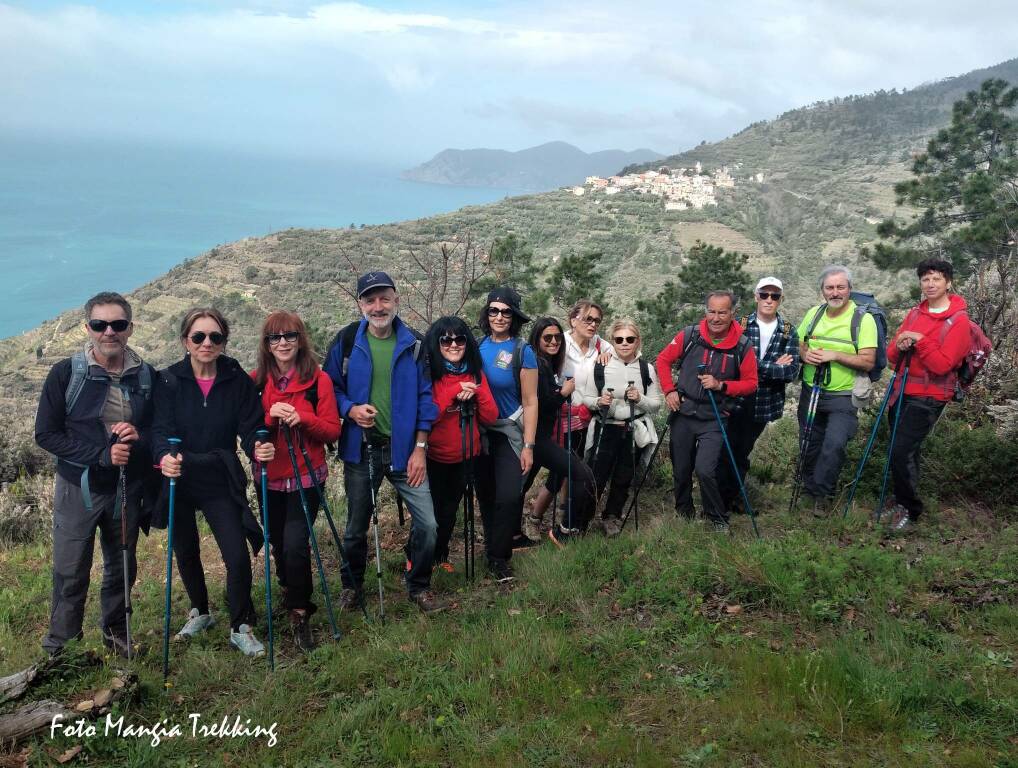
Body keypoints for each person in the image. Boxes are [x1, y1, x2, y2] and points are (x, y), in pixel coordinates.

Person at [35, 292, 157, 658]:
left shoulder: (145, 375)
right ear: (87, 328)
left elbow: (157, 429)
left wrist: (141, 438)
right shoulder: (67, 373)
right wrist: (101, 455)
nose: (109, 332)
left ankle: (116, 632)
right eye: (100, 325)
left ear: (130, 328)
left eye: (118, 325)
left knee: (121, 564)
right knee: (71, 569)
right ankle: (61, 645)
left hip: (125, 488)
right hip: (79, 489)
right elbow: (46, 434)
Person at [153, 308, 275, 657]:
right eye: (199, 337)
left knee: (236, 554)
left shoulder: (236, 380)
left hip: (219, 475)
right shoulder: (168, 381)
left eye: (215, 337)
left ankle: (240, 626)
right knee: (186, 549)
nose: (207, 343)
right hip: (179, 475)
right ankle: (200, 611)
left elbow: (250, 427)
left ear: (224, 342)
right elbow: (159, 429)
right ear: (185, 342)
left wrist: (258, 447)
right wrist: (164, 456)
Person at [323, 271, 442, 613]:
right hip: (362, 449)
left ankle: (418, 584)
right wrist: (350, 409)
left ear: (396, 300)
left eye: (384, 298)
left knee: (429, 525)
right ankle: (352, 587)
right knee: (355, 528)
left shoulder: (415, 344)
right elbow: (330, 388)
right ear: (360, 304)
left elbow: (426, 400)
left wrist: (421, 448)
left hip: (405, 451)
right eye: (370, 300)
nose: (378, 306)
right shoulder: (346, 341)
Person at [251, 310, 341, 651]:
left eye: (290, 336)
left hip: (307, 476)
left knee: (294, 544)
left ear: (300, 339)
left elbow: (332, 429)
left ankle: (301, 611)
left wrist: (302, 418)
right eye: (275, 337)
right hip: (268, 478)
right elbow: (247, 430)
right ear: (267, 344)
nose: (283, 343)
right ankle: (290, 592)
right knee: (278, 542)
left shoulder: (319, 381)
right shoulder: (256, 382)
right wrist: (269, 419)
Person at [655, 291, 758, 531]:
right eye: (712, 311)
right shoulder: (690, 335)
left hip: (715, 416)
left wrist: (721, 385)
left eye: (722, 312)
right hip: (684, 412)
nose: (716, 317)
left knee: (705, 469)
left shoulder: (742, 345)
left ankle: (717, 517)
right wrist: (669, 390)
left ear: (732, 313)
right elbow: (662, 360)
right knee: (681, 469)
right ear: (705, 311)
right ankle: (684, 512)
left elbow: (751, 383)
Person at [884, 259, 970, 531]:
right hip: (903, 390)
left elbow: (943, 365)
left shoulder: (959, 321)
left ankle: (910, 509)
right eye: (925, 279)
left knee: (901, 451)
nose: (930, 284)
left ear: (948, 282)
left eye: (937, 279)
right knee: (906, 452)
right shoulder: (915, 314)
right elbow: (890, 358)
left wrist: (920, 341)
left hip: (930, 396)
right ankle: (901, 500)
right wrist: (901, 344)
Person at [525, 299, 612, 533]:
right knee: (562, 470)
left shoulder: (600, 345)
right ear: (573, 320)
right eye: (587, 319)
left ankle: (563, 515)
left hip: (585, 415)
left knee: (570, 469)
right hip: (558, 416)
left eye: (597, 320)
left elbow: (626, 350)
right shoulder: (559, 342)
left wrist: (607, 355)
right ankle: (536, 519)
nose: (593, 324)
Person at [797, 266, 878, 516]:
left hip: (843, 396)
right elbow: (800, 343)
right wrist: (805, 354)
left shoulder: (863, 320)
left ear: (849, 289)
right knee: (809, 443)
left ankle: (823, 494)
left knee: (834, 445)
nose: (835, 292)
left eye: (840, 287)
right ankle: (809, 487)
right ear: (822, 291)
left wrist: (835, 356)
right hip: (812, 391)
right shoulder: (814, 313)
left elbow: (868, 361)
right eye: (830, 288)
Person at [718, 277, 800, 513]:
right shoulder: (739, 325)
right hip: (734, 399)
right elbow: (730, 364)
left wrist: (753, 366)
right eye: (764, 294)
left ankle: (731, 499)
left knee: (742, 452)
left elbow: (791, 372)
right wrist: (770, 366)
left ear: (781, 299)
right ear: (756, 296)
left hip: (764, 404)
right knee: (726, 450)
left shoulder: (788, 331)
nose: (769, 300)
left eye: (774, 296)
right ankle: (718, 502)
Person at [423, 316, 498, 572]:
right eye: (446, 339)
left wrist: (477, 394)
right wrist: (453, 391)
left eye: (459, 339)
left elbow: (490, 416)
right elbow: (428, 414)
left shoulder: (475, 373)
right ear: (437, 343)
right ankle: (418, 555)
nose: (453, 344)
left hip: (467, 455)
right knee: (428, 513)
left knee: (449, 510)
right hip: (433, 457)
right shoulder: (430, 374)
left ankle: (440, 556)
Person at [475, 287, 538, 582]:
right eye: (493, 311)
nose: (499, 316)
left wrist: (529, 445)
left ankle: (500, 556)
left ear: (514, 317)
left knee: (510, 495)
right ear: (486, 314)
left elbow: (530, 401)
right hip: (480, 431)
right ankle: (493, 553)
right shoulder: (475, 347)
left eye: (505, 311)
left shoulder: (522, 352)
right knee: (486, 495)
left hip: (510, 432)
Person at [581, 318, 662, 536]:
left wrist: (641, 399)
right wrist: (599, 402)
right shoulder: (600, 365)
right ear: (613, 342)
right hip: (605, 426)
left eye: (630, 339)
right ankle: (582, 519)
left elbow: (656, 404)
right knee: (596, 475)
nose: (624, 343)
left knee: (623, 477)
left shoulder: (647, 369)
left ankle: (611, 517)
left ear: (637, 341)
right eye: (619, 339)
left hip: (632, 429)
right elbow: (587, 398)